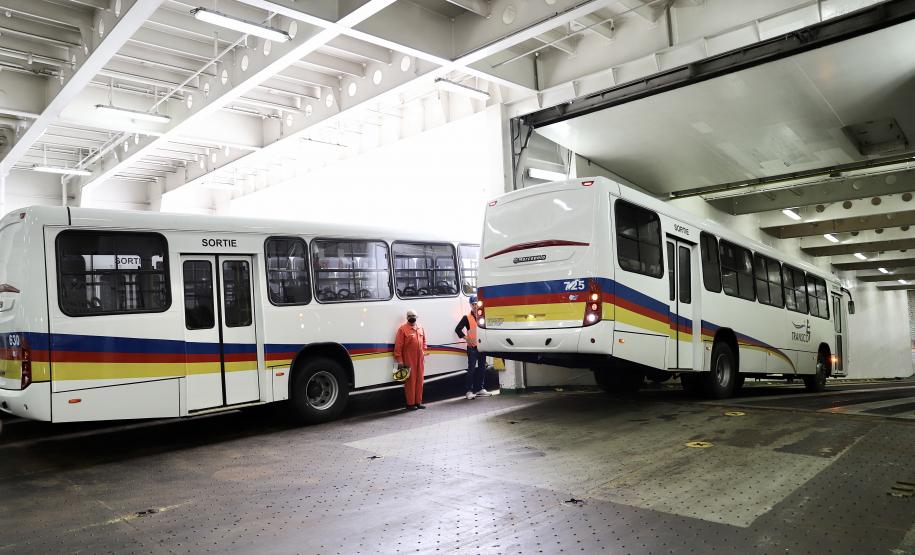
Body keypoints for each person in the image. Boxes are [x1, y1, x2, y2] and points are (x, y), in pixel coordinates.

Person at [455, 295, 491, 400]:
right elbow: (458, 329)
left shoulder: (483, 316)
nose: (475, 306)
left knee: (482, 369)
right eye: (473, 304)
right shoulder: (467, 317)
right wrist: (466, 338)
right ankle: (469, 391)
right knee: (471, 369)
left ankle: (480, 388)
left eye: (476, 304)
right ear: (470, 305)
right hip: (472, 348)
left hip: (482, 347)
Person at [394, 308, 427, 410]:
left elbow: (424, 341)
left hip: (420, 358)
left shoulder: (420, 328)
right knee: (410, 381)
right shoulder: (402, 329)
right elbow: (398, 347)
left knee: (420, 380)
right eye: (410, 316)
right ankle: (410, 404)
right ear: (407, 318)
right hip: (408, 359)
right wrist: (400, 361)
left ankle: (418, 402)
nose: (412, 318)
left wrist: (424, 350)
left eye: (413, 316)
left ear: (417, 317)